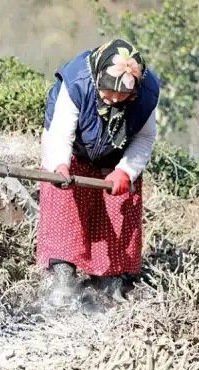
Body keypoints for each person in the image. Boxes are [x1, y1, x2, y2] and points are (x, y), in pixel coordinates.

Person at [37, 38, 160, 303]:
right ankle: (63, 277)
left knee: (119, 209)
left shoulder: (146, 93)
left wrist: (125, 172)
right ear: (97, 78)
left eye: (122, 95)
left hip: (116, 153)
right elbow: (60, 134)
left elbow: (144, 138)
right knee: (65, 205)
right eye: (108, 91)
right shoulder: (77, 82)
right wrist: (60, 165)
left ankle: (108, 280)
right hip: (74, 149)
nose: (114, 99)